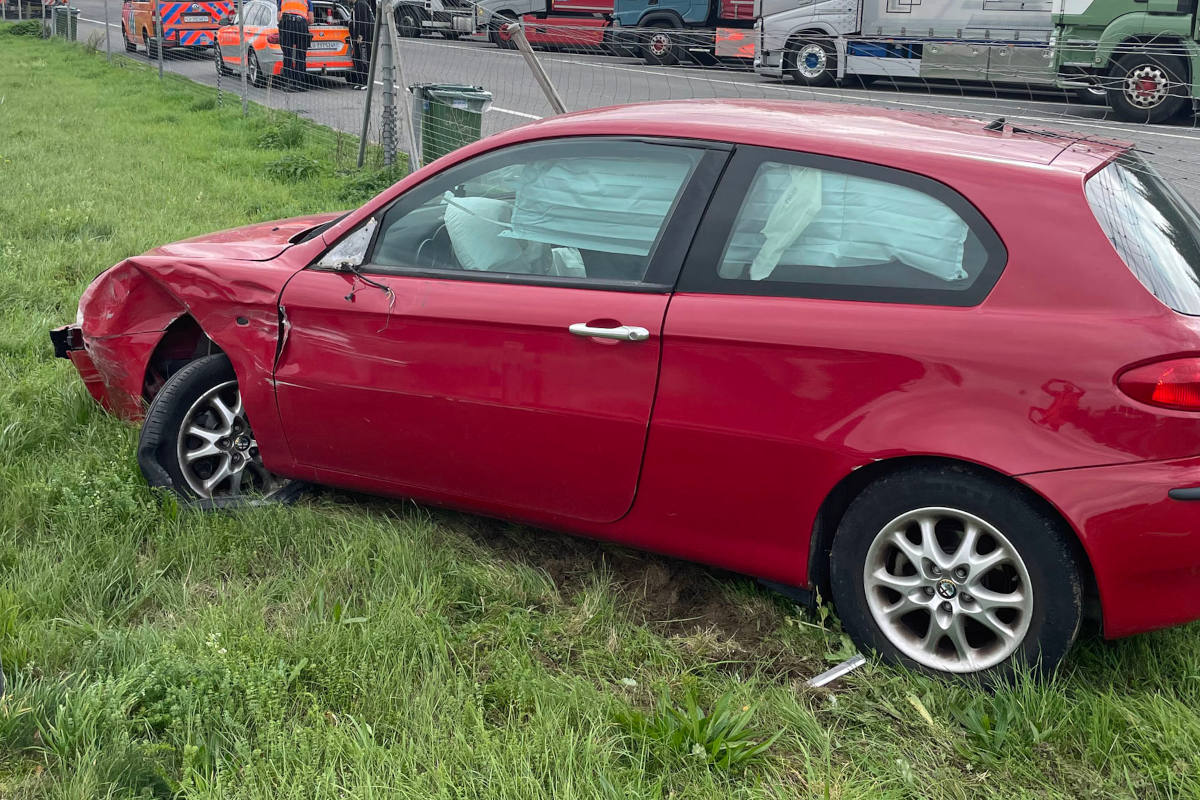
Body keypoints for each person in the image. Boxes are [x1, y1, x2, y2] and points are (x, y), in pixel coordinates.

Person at [277, 0, 313, 91]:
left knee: (287, 55)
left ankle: (288, 83)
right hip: (301, 25)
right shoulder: (307, 1)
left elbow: (278, 18)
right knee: (301, 55)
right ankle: (300, 84)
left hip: (286, 25)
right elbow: (311, 20)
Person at [349, 0, 374, 90]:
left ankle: (366, 82)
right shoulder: (356, 5)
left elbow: (364, 21)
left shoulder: (361, 4)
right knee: (357, 59)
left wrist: (361, 35)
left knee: (364, 59)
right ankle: (360, 81)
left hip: (363, 38)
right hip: (356, 38)